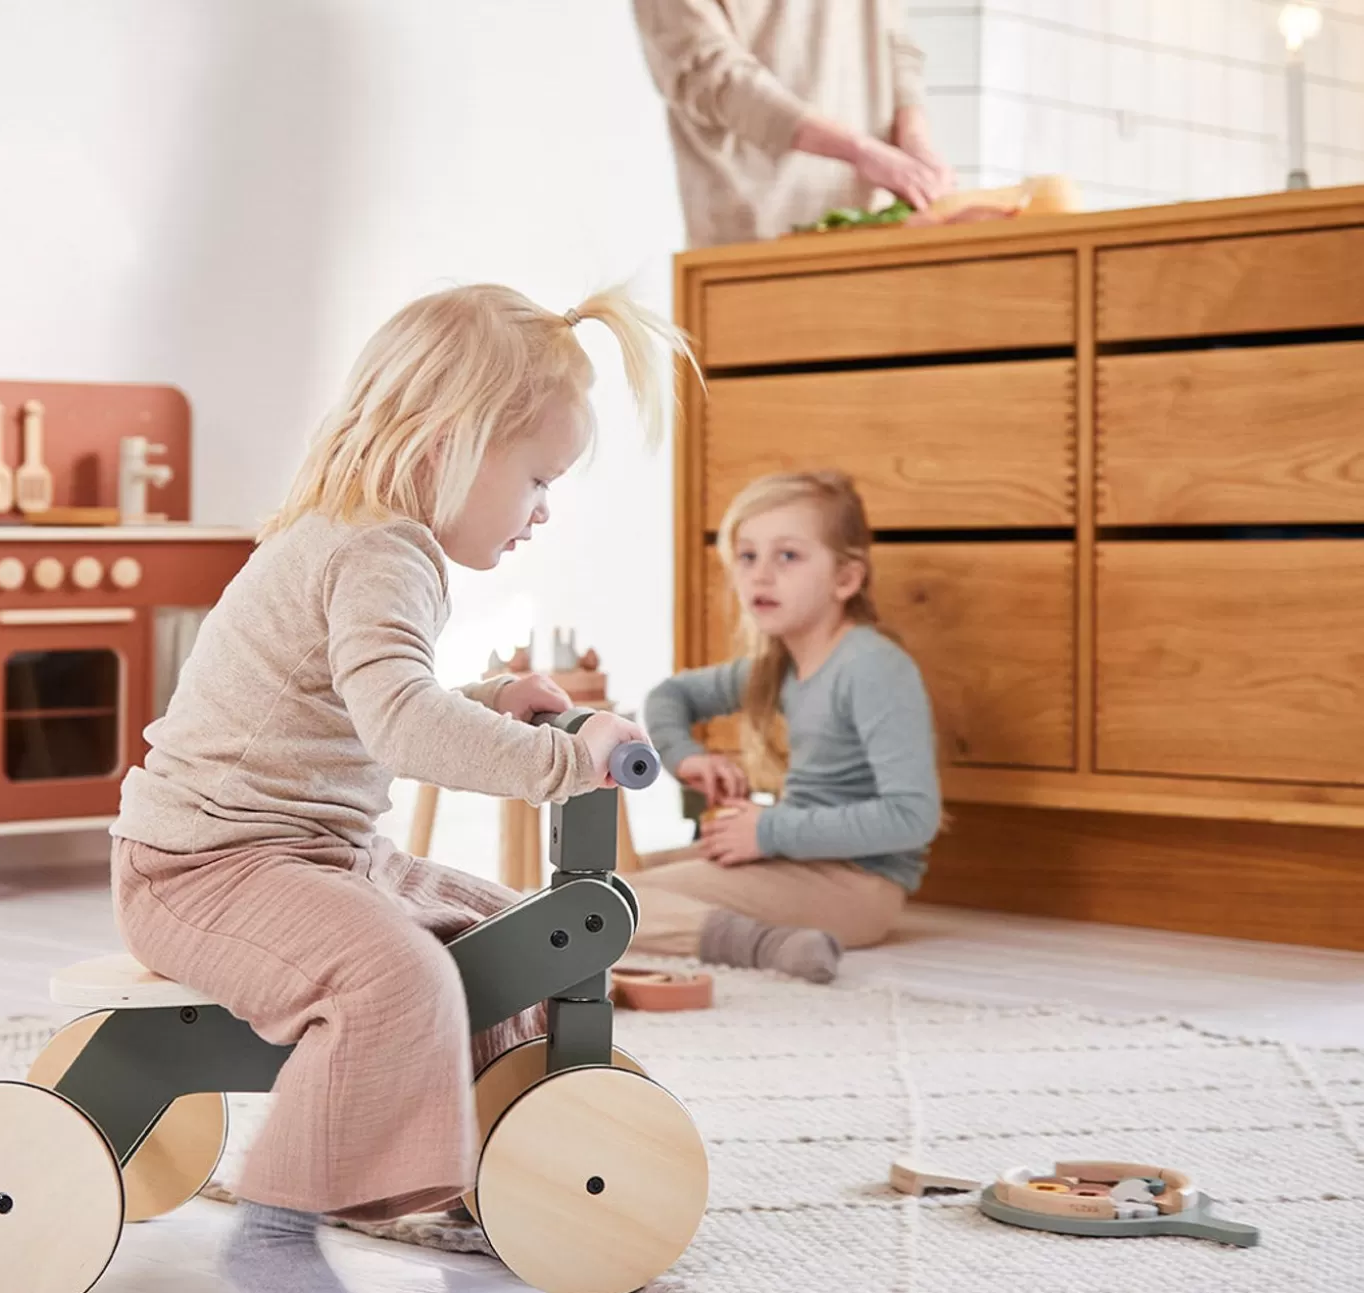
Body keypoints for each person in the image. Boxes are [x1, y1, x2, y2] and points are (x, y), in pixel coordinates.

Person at [107, 283, 683, 1291]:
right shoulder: (376, 548)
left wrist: (494, 695)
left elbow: (362, 700)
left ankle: (488, 1174)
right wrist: (561, 763)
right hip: (202, 867)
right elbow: (401, 723)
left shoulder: (368, 540)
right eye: (536, 478)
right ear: (447, 444)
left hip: (308, 852)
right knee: (395, 977)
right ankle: (276, 1231)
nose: (542, 511)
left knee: (515, 935)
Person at [626, 470, 941, 983]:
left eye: (787, 556)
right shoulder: (780, 664)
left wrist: (768, 830)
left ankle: (766, 946)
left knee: (610, 901)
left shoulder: (871, 666)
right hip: (795, 858)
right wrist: (687, 756)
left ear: (846, 578)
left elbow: (912, 816)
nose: (760, 576)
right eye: (747, 556)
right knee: (600, 882)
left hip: (857, 884)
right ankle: (765, 937)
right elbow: (670, 696)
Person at [632, 0, 955, 245]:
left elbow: (895, 41)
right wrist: (861, 151)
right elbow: (710, 73)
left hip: (877, 219)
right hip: (757, 229)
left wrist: (915, 142)